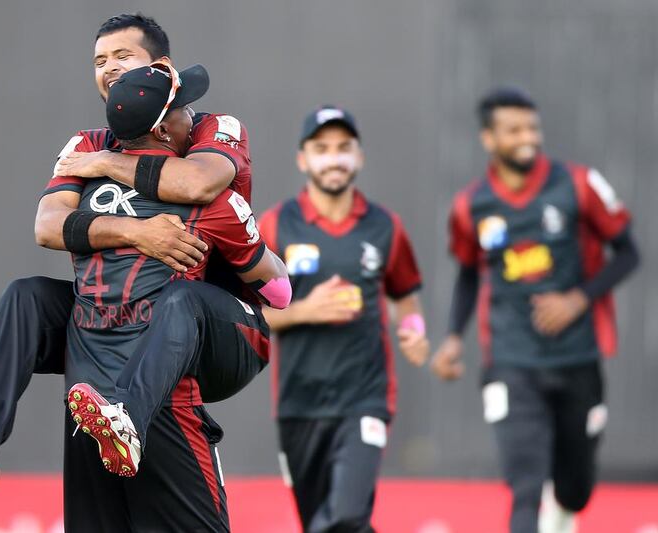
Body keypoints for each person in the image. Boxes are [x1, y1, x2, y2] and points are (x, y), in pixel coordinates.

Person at [0, 13, 258, 487]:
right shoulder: (86, 143)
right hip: (118, 323)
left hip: (210, 321)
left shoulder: (211, 125)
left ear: (161, 66)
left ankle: (130, 418)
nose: (109, 67)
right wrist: (136, 232)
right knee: (25, 295)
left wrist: (104, 163)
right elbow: (48, 227)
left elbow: (198, 181)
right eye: (99, 60)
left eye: (122, 56)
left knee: (181, 302)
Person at [51, 61, 287, 532]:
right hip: (172, 388)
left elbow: (46, 228)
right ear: (162, 130)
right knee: (184, 300)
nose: (193, 116)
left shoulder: (89, 182)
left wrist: (101, 168)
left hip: (91, 383)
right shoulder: (211, 197)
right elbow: (278, 292)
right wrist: (243, 240)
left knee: (27, 296)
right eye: (182, 109)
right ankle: (127, 420)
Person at [430, 88, 640, 533]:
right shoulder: (471, 205)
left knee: (575, 489)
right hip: (510, 361)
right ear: (489, 139)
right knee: (525, 486)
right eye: (514, 129)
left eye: (533, 127)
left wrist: (578, 299)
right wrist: (452, 337)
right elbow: (469, 273)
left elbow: (628, 253)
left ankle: (564, 511)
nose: (528, 137)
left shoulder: (580, 184)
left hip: (577, 358)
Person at [259, 106, 430, 533]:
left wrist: (414, 332)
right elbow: (248, 313)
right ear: (303, 159)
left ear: (359, 156)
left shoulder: (385, 227)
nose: (333, 159)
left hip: (365, 399)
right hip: (299, 404)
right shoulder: (277, 225)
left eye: (343, 148)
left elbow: (405, 297)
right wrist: (305, 310)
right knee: (324, 522)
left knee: (347, 516)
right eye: (321, 149)